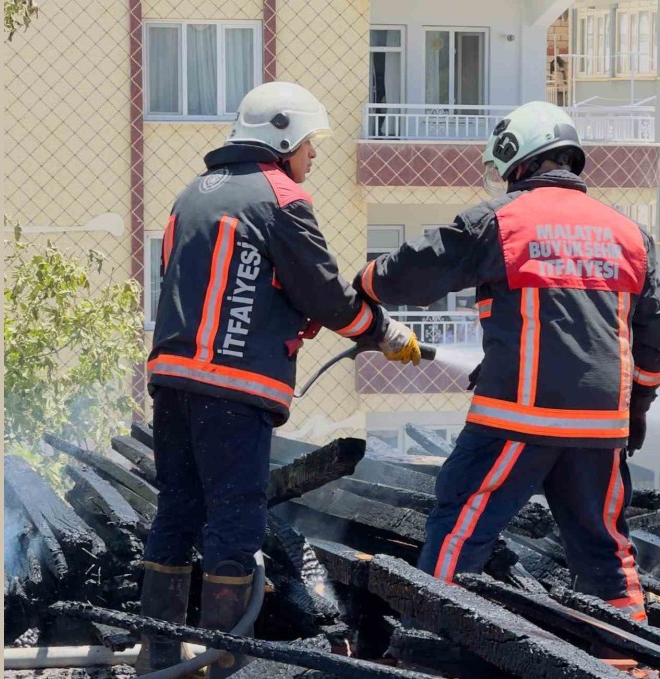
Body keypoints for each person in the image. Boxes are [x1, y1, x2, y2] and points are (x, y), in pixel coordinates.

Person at [138, 81, 421, 673]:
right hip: (232, 389)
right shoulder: (281, 197)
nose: (314, 155)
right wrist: (386, 332)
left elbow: (211, 283)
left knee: (178, 508)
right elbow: (326, 293)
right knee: (235, 515)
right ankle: (222, 660)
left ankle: (156, 652)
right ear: (283, 136)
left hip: (170, 382)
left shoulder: (193, 195)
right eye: (310, 143)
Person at [355, 101, 660, 622]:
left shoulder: (500, 221)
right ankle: (630, 657)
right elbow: (657, 334)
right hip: (601, 426)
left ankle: (432, 639)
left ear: (519, 162)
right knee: (605, 550)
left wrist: (362, 286)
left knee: (461, 524)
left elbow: (409, 274)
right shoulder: (629, 233)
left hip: (516, 418)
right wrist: (636, 406)